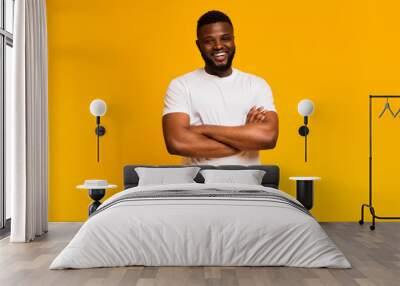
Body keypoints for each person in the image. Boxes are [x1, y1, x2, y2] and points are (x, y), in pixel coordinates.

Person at [162, 10, 278, 165]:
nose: (218, 46)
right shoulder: (181, 86)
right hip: (198, 186)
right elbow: (177, 143)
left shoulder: (256, 85)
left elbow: (268, 138)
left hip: (247, 185)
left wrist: (203, 130)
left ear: (233, 40)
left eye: (225, 38)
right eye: (209, 41)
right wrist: (246, 138)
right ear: (199, 45)